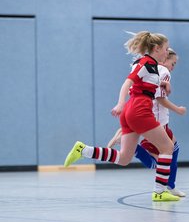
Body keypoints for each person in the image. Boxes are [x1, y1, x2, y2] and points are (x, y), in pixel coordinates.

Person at [64, 31, 180, 202]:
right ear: (156, 49)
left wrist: (163, 84)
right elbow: (128, 82)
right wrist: (120, 102)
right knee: (168, 148)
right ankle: (160, 192)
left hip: (131, 109)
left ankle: (84, 150)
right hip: (139, 109)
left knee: (124, 157)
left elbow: (144, 84)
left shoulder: (145, 64)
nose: (166, 52)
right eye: (165, 49)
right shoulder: (147, 63)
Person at [108, 48, 187, 197]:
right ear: (164, 57)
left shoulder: (153, 68)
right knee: (158, 161)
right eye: (173, 63)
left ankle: (170, 186)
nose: (173, 67)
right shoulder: (164, 71)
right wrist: (178, 110)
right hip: (155, 120)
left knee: (173, 149)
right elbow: (159, 98)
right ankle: (162, 189)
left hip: (155, 118)